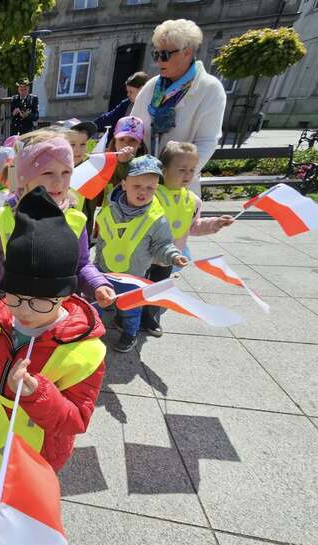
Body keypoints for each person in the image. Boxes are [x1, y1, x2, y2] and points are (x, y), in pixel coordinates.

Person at [0, 187, 106, 533]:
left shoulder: (85, 352)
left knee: (29, 492)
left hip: (41, 451)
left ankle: (23, 516)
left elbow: (76, 419)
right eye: (14, 296)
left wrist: (38, 393)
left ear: (64, 296)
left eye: (39, 301)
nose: (23, 311)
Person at [0, 130, 115, 309]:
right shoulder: (1, 219)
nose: (59, 181)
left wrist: (98, 284)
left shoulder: (76, 220)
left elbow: (81, 265)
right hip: (11, 314)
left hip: (58, 315)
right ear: (25, 178)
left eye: (66, 172)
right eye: (47, 173)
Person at [93, 155, 189, 353]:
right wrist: (96, 264)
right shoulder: (108, 211)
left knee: (131, 309)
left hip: (133, 276)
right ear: (124, 184)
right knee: (97, 304)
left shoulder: (156, 218)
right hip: (105, 271)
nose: (143, 192)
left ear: (156, 188)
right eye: (137, 186)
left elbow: (162, 245)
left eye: (150, 188)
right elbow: (102, 240)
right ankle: (93, 331)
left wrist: (173, 255)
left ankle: (130, 334)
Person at [141, 141, 234, 335]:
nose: (188, 174)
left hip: (169, 257)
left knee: (159, 287)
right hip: (142, 254)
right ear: (164, 169)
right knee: (137, 285)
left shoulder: (192, 201)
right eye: (182, 169)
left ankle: (150, 317)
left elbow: (193, 226)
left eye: (192, 170)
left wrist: (215, 223)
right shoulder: (150, 194)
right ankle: (126, 317)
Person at [131, 19, 227, 194]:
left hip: (178, 187)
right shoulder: (152, 86)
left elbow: (206, 143)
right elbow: (133, 127)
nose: (159, 61)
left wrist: (173, 179)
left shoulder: (210, 89)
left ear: (187, 52)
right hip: (145, 182)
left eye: (164, 55)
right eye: (156, 54)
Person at [94, 71, 150, 135]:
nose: (128, 94)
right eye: (127, 91)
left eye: (131, 92)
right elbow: (109, 118)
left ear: (142, 90)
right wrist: (89, 128)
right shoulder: (126, 104)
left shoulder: (153, 108)